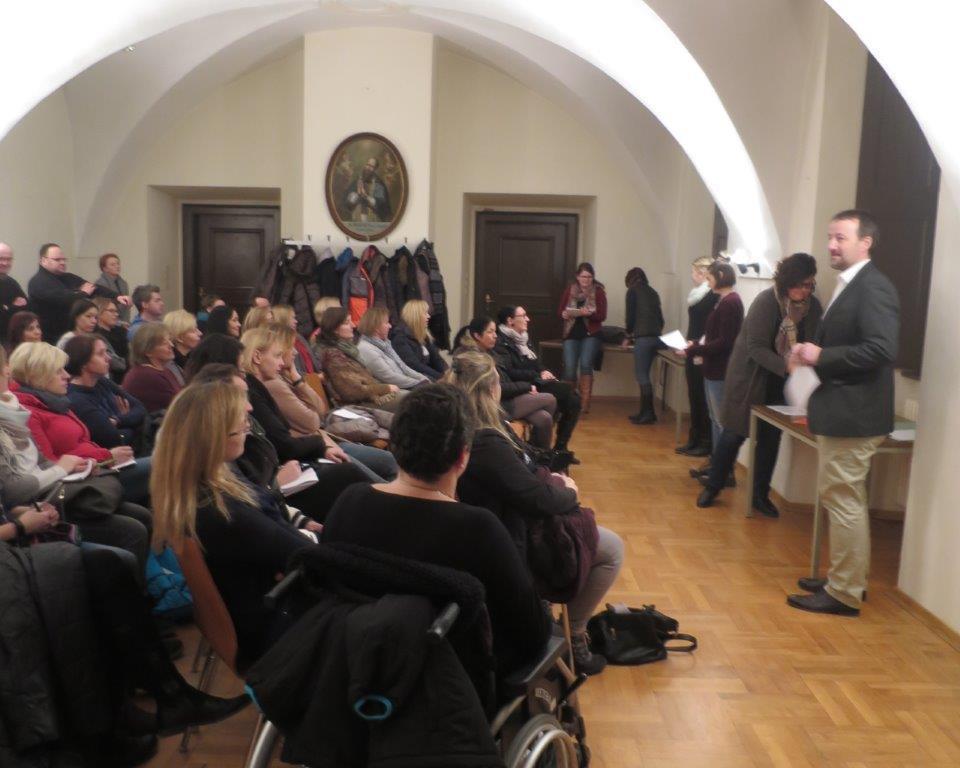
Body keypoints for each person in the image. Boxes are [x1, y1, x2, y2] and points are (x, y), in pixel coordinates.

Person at [323, 383, 550, 676]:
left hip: (356, 663)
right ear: (463, 457)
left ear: (394, 443)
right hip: (450, 676)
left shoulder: (349, 500)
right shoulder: (478, 529)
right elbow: (532, 633)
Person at [448, 351, 623, 675]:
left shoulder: (482, 426)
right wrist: (568, 491)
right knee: (612, 549)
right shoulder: (484, 441)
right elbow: (536, 499)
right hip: (512, 539)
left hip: (511, 523)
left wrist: (552, 472)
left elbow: (527, 465)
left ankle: (562, 624)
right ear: (490, 390)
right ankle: (574, 635)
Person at [150, 382, 317, 666]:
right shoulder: (224, 511)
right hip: (281, 628)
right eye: (241, 423)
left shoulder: (201, 492)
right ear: (216, 435)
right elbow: (308, 557)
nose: (247, 421)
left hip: (269, 609)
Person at [787, 210, 899, 617]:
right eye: (830, 237)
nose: (832, 245)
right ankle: (848, 579)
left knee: (843, 499)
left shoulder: (873, 287)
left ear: (865, 242)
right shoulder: (852, 284)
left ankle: (845, 592)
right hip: (844, 410)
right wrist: (808, 353)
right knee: (843, 498)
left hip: (855, 414)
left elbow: (881, 349)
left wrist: (821, 355)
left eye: (841, 238)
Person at [695, 253, 822, 513]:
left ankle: (759, 495)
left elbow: (814, 341)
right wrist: (787, 366)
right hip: (751, 377)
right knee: (734, 433)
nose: (805, 290)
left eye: (810, 285)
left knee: (770, 438)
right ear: (787, 282)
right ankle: (714, 485)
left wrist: (803, 363)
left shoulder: (813, 307)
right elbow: (755, 347)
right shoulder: (767, 302)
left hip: (782, 381)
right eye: (800, 285)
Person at [9, 341, 153, 513]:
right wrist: (106, 457)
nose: (66, 375)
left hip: (97, 470)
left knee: (142, 514)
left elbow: (140, 410)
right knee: (160, 465)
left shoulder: (57, 402)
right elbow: (49, 464)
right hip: (77, 485)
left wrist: (118, 428)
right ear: (38, 375)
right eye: (58, 371)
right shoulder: (30, 412)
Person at [262, 323, 397, 481]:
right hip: (316, 450)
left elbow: (320, 409)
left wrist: (297, 379)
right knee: (383, 470)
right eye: (290, 348)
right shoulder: (275, 384)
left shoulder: (287, 377)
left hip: (323, 441)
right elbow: (313, 422)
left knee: (388, 461)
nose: (295, 352)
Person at [681, 261, 743, 482]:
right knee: (715, 419)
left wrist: (694, 349)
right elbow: (714, 336)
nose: (707, 283)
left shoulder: (730, 303)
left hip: (720, 369)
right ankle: (717, 465)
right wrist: (696, 345)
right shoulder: (723, 301)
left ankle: (723, 471)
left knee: (720, 422)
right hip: (713, 367)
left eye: (709, 278)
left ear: (720, 276)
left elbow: (725, 342)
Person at [455, 317, 557, 450]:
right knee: (550, 399)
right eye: (490, 332)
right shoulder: (472, 357)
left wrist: (527, 385)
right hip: (493, 403)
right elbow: (495, 388)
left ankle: (537, 453)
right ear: (477, 336)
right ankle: (532, 452)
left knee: (544, 418)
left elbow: (507, 377)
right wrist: (526, 387)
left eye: (495, 331)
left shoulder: (492, 351)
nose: (495, 336)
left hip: (507, 396)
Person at [494, 305, 581, 461]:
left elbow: (535, 363)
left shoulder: (523, 338)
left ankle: (559, 447)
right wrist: (537, 375)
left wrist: (543, 370)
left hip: (534, 381)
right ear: (510, 320)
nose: (528, 319)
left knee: (573, 399)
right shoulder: (500, 342)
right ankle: (545, 449)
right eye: (523, 316)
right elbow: (510, 372)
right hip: (522, 386)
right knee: (568, 395)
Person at [28, 243, 130, 343]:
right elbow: (63, 300)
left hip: (71, 333)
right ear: (43, 260)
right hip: (51, 337)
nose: (62, 262)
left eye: (64, 259)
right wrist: (83, 293)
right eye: (57, 260)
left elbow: (93, 288)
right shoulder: (38, 282)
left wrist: (117, 296)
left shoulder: (67, 277)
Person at [314, 306, 405, 412]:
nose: (353, 325)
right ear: (335, 329)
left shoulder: (347, 349)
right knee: (408, 400)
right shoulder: (333, 356)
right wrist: (386, 388)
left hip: (370, 397)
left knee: (410, 397)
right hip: (358, 404)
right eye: (347, 323)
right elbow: (352, 391)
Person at [65, 334, 148, 450]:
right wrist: (134, 424)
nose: (108, 358)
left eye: (106, 352)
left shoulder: (102, 381)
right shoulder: (77, 400)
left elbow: (141, 409)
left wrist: (118, 420)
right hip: (114, 458)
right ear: (84, 363)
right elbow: (115, 440)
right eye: (100, 354)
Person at [676, 256, 720, 457]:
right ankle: (693, 438)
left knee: (702, 397)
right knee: (693, 395)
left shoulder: (712, 295)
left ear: (702, 273)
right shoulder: (697, 294)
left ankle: (705, 441)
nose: (692, 275)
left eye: (694, 271)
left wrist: (697, 345)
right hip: (692, 347)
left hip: (702, 350)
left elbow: (709, 327)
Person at [558, 262, 607, 414]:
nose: (586, 280)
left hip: (590, 334)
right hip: (571, 333)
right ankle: (569, 403)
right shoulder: (570, 290)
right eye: (583, 276)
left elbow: (602, 315)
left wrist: (589, 314)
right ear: (577, 277)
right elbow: (560, 310)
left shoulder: (598, 292)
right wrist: (564, 314)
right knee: (570, 367)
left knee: (586, 365)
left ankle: (583, 405)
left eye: (589, 277)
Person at [622, 267, 664, 425]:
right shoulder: (653, 292)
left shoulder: (632, 291)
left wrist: (628, 336)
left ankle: (647, 414)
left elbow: (630, 318)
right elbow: (661, 320)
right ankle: (646, 412)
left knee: (642, 376)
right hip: (656, 337)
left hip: (643, 339)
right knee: (645, 375)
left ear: (630, 280)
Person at [357, 307, 429, 390]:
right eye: (387, 323)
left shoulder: (386, 343)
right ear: (376, 327)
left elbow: (404, 367)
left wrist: (422, 378)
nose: (390, 326)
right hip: (392, 390)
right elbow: (389, 377)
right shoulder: (366, 349)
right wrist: (418, 383)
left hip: (405, 385)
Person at [122, 322, 182, 412]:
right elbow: (179, 405)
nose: (171, 345)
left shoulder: (164, 370)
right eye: (164, 343)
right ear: (148, 351)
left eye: (170, 340)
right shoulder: (146, 376)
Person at [390, 298, 448, 380]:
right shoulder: (400, 339)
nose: (428, 316)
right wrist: (441, 377)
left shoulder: (424, 336)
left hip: (428, 377)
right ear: (416, 316)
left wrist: (448, 373)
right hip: (415, 379)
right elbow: (415, 365)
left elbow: (436, 359)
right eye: (425, 313)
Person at [271, 303, 319, 374]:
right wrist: (317, 377)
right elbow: (293, 371)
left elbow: (314, 362)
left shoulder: (299, 338)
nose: (296, 321)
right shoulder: (280, 342)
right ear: (283, 319)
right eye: (292, 318)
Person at [92, 296, 129, 382]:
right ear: (99, 312)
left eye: (116, 311)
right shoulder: (97, 335)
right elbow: (115, 364)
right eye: (111, 311)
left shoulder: (121, 331)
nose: (116, 314)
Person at [344, 156, 392, 222]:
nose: (368, 168)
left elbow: (380, 204)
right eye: (367, 165)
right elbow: (347, 203)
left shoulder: (378, 184)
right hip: (357, 219)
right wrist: (355, 195)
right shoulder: (357, 181)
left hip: (373, 220)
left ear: (375, 169)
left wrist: (365, 196)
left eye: (371, 166)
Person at [0, 241, 28, 340]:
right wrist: (13, 307)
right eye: (1, 259)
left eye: (9, 259)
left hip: (11, 338)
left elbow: (26, 307)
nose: (5, 263)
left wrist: (7, 308)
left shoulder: (11, 282)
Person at [95, 252, 131, 323]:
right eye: (112, 265)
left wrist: (126, 322)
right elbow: (103, 307)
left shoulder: (123, 283)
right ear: (105, 268)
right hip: (108, 320)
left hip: (123, 320)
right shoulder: (101, 284)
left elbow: (126, 306)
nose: (117, 266)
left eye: (118, 263)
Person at [164, 308, 202, 372]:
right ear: (179, 338)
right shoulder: (170, 366)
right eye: (193, 331)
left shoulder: (194, 360)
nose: (200, 333)